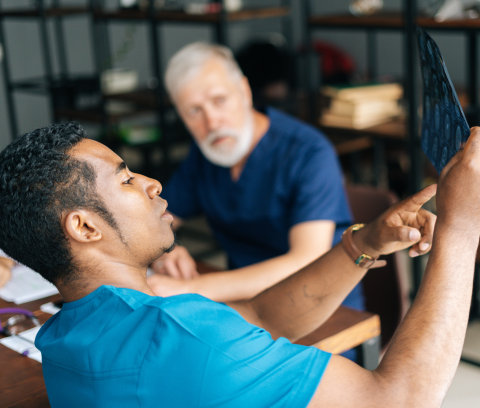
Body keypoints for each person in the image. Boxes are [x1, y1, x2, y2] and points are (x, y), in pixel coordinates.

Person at [0, 122, 480, 407]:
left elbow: (264, 314)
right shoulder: (187, 340)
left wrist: (363, 243)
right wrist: (462, 229)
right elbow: (400, 400)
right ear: (85, 227)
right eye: (128, 179)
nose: (153, 183)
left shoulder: (65, 336)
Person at [148, 42, 361, 309]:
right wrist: (165, 248)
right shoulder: (208, 154)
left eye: (219, 100)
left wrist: (192, 288)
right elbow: (156, 218)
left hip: (320, 307)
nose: (212, 122)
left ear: (245, 91)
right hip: (243, 304)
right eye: (194, 111)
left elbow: (306, 260)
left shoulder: (308, 152)